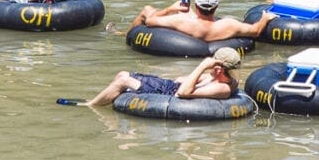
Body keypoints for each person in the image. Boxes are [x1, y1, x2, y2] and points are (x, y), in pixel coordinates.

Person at [81, 47, 242, 106]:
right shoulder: (220, 77)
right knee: (123, 73)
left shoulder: (222, 88)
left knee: (124, 81)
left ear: (219, 69)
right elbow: (181, 80)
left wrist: (202, 66)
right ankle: (101, 100)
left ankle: (91, 106)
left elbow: (183, 93)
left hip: (169, 95)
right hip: (169, 86)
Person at [127, 0, 277, 42]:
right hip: (210, 30)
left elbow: (150, 21)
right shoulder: (229, 25)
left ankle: (124, 34)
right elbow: (256, 31)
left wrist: (170, 9)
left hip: (193, 28)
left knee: (147, 9)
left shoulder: (182, 21)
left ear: (196, 6)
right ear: (216, 6)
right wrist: (265, 18)